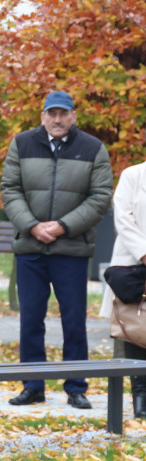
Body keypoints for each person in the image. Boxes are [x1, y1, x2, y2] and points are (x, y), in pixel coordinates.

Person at [1, 90, 113, 409]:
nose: (58, 119)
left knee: (74, 320)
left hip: (72, 249)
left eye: (64, 113)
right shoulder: (22, 143)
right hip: (30, 248)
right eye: (52, 113)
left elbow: (100, 196)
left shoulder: (93, 148)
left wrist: (61, 226)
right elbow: (10, 189)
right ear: (43, 116)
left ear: (74, 116)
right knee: (31, 318)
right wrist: (33, 226)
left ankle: (76, 386)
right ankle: (33, 384)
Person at [102, 159, 146, 418]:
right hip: (132, 263)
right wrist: (144, 253)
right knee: (135, 327)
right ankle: (140, 397)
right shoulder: (133, 175)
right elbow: (123, 218)